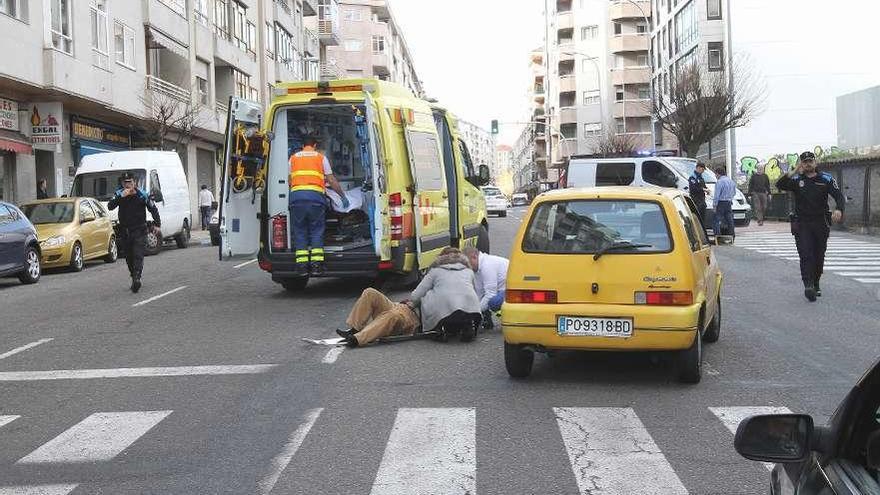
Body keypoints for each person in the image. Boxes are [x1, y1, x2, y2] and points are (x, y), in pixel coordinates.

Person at [336, 247, 481, 347]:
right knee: (370, 292)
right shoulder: (467, 272)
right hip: (403, 306)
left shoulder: (436, 271)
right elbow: (475, 293)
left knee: (391, 315)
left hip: (412, 317)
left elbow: (416, 295)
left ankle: (357, 339)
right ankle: (355, 328)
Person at [776, 151, 845, 302]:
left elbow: (839, 195)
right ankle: (808, 285)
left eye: (810, 161)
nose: (808, 164)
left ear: (815, 163)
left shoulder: (826, 179)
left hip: (821, 222)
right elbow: (779, 185)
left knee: (819, 255)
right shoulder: (796, 180)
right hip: (802, 223)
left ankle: (816, 282)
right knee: (806, 253)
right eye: (805, 161)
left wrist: (839, 209)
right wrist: (794, 171)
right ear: (801, 164)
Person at [288, 136, 348, 276]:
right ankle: (316, 266)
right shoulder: (320, 158)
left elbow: (290, 181)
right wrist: (342, 196)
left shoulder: (293, 158)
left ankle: (302, 267)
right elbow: (331, 179)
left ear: (302, 145)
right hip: (315, 198)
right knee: (316, 230)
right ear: (314, 145)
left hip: (296, 198)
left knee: (300, 231)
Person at [108, 172, 161, 293]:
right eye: (125, 183)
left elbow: (153, 208)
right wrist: (121, 196)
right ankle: (133, 275)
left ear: (134, 183)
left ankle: (137, 278)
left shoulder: (141, 194)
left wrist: (157, 224)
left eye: (130, 182)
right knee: (129, 257)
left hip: (139, 230)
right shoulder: (119, 194)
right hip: (125, 231)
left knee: (138, 254)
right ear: (122, 184)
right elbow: (110, 206)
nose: (128, 185)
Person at [462, 246, 509, 329]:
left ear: (474, 257)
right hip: (501, 289)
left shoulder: (487, 265)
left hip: (511, 290)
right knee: (483, 300)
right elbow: (479, 293)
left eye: (467, 263)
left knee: (494, 302)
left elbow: (490, 294)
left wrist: (475, 313)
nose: (466, 267)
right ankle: (486, 320)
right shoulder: (477, 268)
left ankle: (509, 318)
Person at [713, 166, 737, 243]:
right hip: (728, 202)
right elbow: (734, 193)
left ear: (718, 174)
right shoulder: (731, 181)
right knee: (729, 220)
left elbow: (717, 195)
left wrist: (714, 205)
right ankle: (732, 235)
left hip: (721, 202)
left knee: (716, 220)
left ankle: (718, 237)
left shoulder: (719, 182)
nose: (715, 176)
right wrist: (730, 198)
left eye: (715, 174)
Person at [688, 162, 709, 227]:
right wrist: (703, 189)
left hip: (702, 200)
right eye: (702, 169)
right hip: (696, 200)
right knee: (697, 218)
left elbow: (703, 186)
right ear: (698, 168)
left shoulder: (701, 177)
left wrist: (706, 190)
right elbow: (693, 189)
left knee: (703, 218)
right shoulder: (693, 177)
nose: (703, 171)